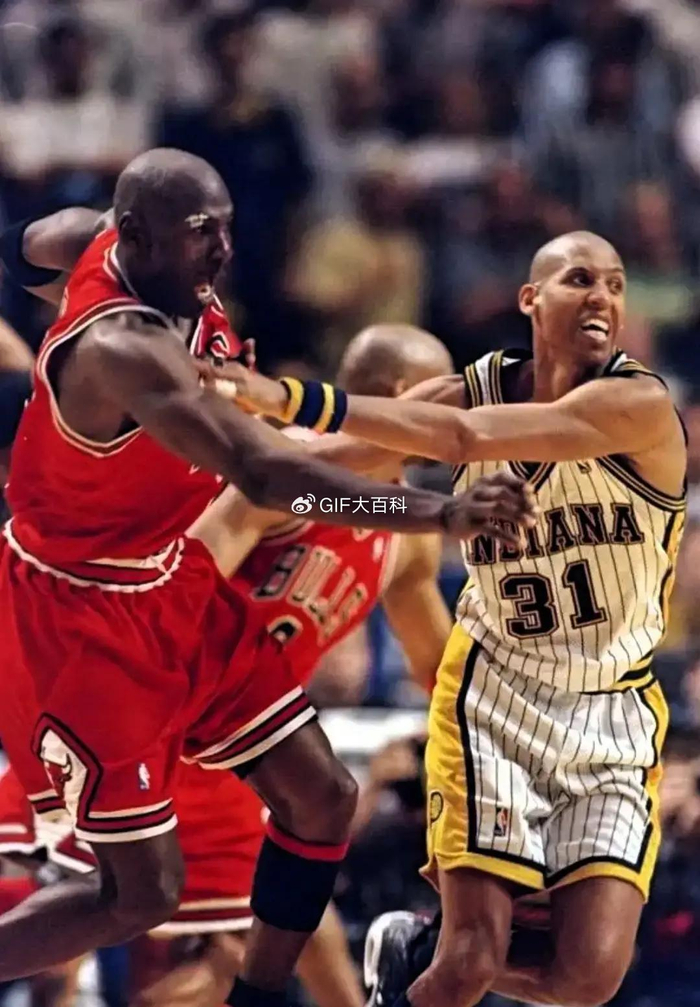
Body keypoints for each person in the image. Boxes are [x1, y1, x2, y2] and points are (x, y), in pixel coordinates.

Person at [0, 148, 535, 1007]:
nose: (221, 250)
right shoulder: (125, 346)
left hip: (166, 584)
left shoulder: (115, 245)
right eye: (198, 232)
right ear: (140, 236)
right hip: (82, 609)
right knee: (141, 895)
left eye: (225, 228)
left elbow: (26, 243)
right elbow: (266, 473)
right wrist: (440, 511)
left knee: (324, 798)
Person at [222, 230, 687, 1007]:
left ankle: (407, 945)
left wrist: (287, 396)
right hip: (494, 700)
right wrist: (237, 444)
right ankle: (423, 958)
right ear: (531, 299)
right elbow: (313, 478)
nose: (603, 297)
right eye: (580, 279)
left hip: (611, 709)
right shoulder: (462, 400)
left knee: (590, 976)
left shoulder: (637, 403)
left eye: (615, 284)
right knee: (470, 957)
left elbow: (464, 439)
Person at [0, 323, 455, 1007]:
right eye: (445, 393)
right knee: (165, 917)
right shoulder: (286, 469)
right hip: (166, 708)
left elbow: (439, 665)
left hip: (232, 745)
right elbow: (181, 577)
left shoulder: (401, 530)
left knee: (258, 925)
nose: (458, 415)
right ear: (401, 394)